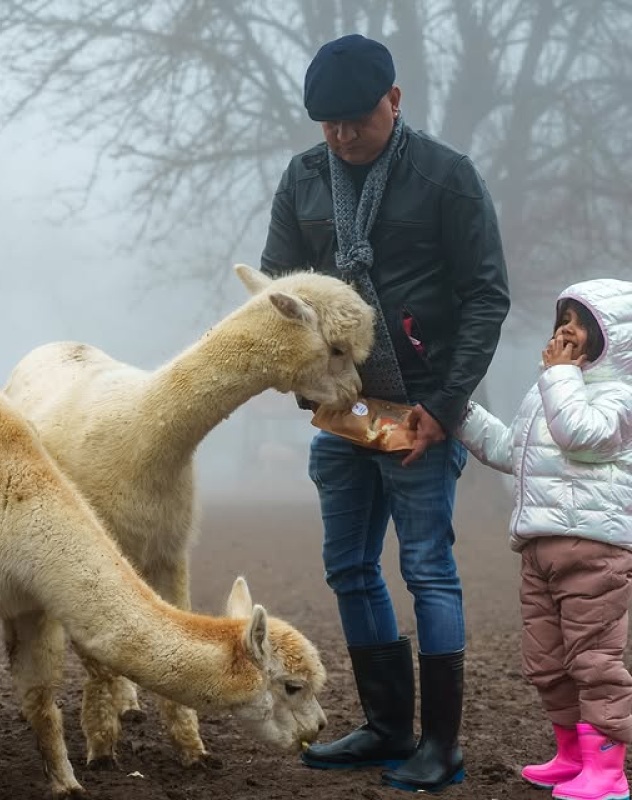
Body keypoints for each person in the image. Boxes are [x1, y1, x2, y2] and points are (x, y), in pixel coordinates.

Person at [260, 33, 510, 793]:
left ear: (394, 102)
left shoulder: (448, 178)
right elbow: (278, 285)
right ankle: (385, 727)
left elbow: (486, 296)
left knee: (428, 572)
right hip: (342, 417)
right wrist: (305, 380)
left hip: (421, 418)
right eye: (327, 122)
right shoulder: (302, 179)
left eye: (355, 120)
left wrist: (442, 405)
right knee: (348, 569)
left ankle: (440, 746)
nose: (339, 135)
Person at [457, 278, 632, 800]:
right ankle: (572, 756)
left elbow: (583, 435)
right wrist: (460, 413)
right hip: (538, 545)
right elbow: (516, 452)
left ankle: (608, 771)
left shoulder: (620, 393)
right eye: (565, 317)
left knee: (594, 660)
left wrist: (558, 377)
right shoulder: (555, 387)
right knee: (547, 661)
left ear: (613, 336)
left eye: (582, 322)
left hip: (595, 549)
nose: (567, 330)